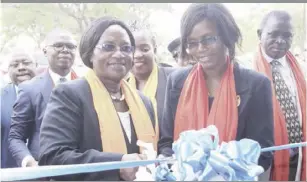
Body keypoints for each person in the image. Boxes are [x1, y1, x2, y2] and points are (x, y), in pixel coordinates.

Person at [158, 3, 274, 173]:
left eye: (208, 39)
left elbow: (263, 153)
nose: (200, 49)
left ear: (227, 37)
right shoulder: (176, 82)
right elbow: (167, 143)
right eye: (192, 43)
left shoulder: (256, 85)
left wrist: (218, 171)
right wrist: (173, 165)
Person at [38, 17, 156, 181]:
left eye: (126, 48)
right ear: (90, 53)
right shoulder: (69, 95)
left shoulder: (144, 102)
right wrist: (117, 163)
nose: (119, 54)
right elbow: (53, 157)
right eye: (108, 47)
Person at [8, 29, 78, 168]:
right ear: (45, 51)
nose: (65, 50)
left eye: (70, 46)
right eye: (58, 45)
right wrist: (29, 162)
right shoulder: (29, 89)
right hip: (43, 171)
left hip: (80, 170)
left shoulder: (86, 86)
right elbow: (16, 137)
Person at [254, 11, 306, 181]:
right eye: (274, 34)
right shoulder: (246, 71)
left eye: (287, 35)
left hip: (299, 156)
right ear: (260, 34)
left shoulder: (300, 69)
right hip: (264, 162)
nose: (281, 40)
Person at [127, 30, 175, 142]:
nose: (138, 55)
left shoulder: (173, 79)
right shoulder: (121, 88)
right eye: (131, 49)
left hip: (169, 154)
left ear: (155, 50)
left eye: (144, 49)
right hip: (135, 157)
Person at [1, 51, 36, 168]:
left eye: (26, 63)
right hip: (9, 171)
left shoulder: (51, 92)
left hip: (45, 171)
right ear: (7, 70)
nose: (21, 68)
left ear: (35, 65)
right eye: (15, 65)